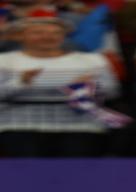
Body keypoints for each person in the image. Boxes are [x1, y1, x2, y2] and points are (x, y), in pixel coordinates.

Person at [0, 15, 120, 156]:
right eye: (38, 32)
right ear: (20, 36)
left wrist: (89, 86)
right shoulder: (4, 61)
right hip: (17, 124)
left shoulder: (92, 60)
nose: (48, 37)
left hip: (81, 125)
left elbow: (113, 91)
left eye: (55, 33)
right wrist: (20, 82)